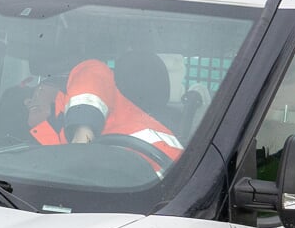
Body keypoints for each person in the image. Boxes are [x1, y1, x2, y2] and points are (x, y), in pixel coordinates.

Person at [27, 59, 182, 164]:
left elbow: (90, 80)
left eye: (40, 90)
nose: (28, 101)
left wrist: (82, 130)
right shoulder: (49, 134)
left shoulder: (91, 74)